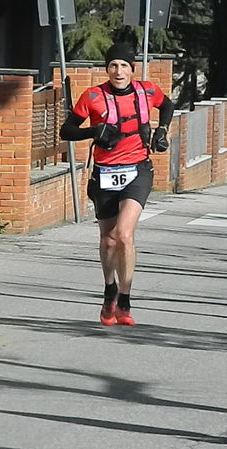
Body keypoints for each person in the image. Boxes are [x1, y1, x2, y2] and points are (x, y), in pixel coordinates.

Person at [59, 42, 174, 326]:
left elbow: (168, 104)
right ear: (107, 69)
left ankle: (125, 297)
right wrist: (93, 131)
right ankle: (109, 289)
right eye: (113, 65)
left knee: (124, 234)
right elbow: (67, 130)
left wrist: (162, 130)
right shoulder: (94, 96)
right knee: (108, 239)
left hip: (138, 170)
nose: (118, 71)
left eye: (124, 66)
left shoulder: (146, 91)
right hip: (105, 173)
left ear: (132, 70)